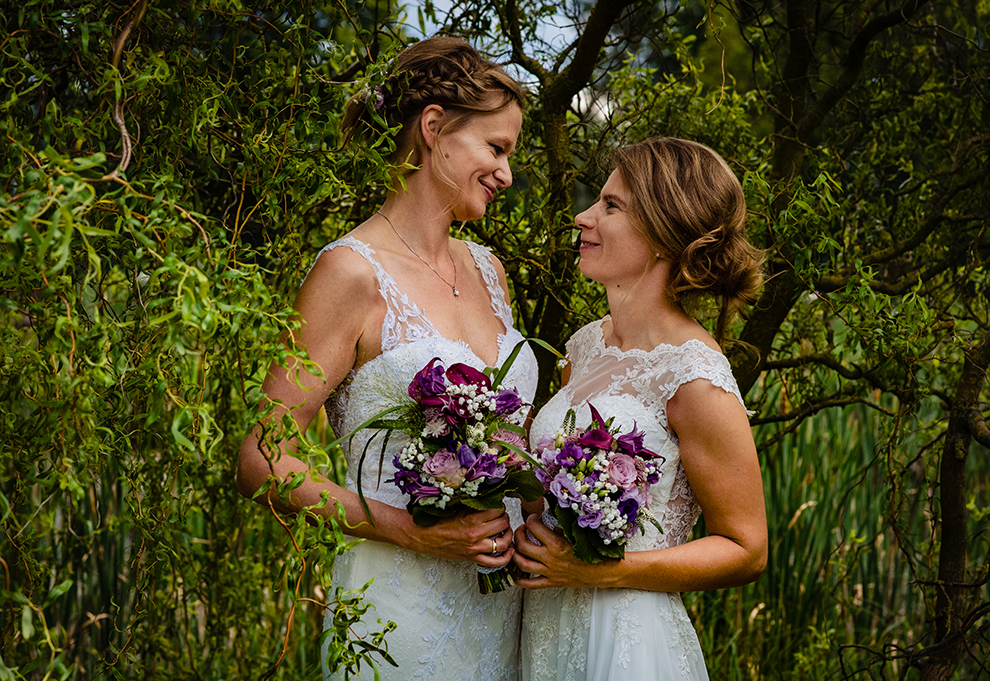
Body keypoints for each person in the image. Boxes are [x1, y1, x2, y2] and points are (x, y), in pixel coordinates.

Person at [234, 36, 538, 681]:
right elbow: (262, 460)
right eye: (497, 148)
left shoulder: (490, 270)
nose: (507, 173)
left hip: (503, 604)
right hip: (400, 603)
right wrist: (410, 530)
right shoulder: (349, 274)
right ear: (434, 128)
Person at [512, 137, 768, 680]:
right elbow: (553, 502)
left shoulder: (695, 376)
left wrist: (606, 572)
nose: (583, 217)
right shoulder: (584, 347)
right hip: (549, 628)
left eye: (610, 206)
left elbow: (746, 549)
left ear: (660, 234)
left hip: (628, 636)